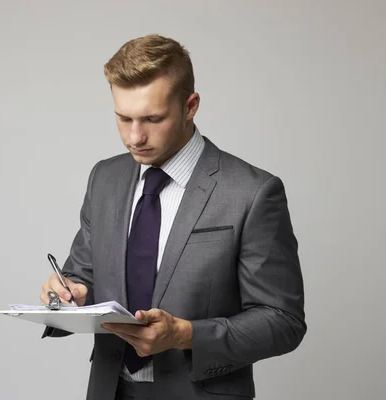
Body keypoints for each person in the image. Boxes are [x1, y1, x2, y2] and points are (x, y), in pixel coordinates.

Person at [39, 34, 306, 400]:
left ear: (190, 105)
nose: (134, 137)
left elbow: (284, 320)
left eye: (153, 118)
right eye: (123, 118)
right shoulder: (104, 177)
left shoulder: (253, 192)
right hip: (109, 390)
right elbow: (83, 274)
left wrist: (186, 335)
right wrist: (70, 293)